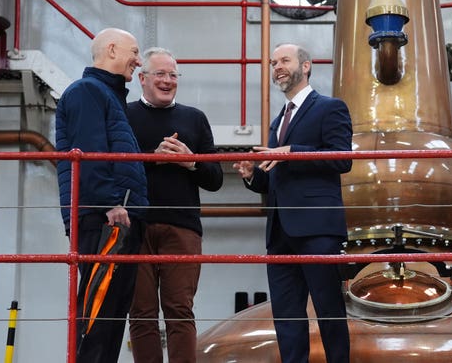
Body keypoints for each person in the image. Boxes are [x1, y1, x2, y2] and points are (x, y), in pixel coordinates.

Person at [233, 43, 352, 363]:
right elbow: (273, 179)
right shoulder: (277, 123)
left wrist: (291, 151)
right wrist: (251, 176)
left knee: (329, 311)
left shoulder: (331, 108)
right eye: (273, 63)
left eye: (284, 60)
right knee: (286, 317)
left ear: (307, 66)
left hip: (317, 229)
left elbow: (343, 159)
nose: (277, 67)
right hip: (280, 232)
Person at [56, 27, 149, 363]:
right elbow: (89, 152)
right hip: (105, 219)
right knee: (99, 316)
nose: (138, 62)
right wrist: (110, 203)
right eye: (134, 52)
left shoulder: (105, 95)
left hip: (115, 218)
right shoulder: (87, 92)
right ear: (112, 49)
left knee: (109, 317)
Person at [127, 47, 223, 363]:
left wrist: (190, 162)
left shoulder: (194, 118)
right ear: (142, 78)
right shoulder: (124, 116)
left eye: (173, 75)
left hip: (182, 228)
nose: (168, 81)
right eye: (160, 74)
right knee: (140, 312)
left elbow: (215, 178)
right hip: (135, 226)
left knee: (180, 311)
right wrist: (153, 158)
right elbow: (115, 172)